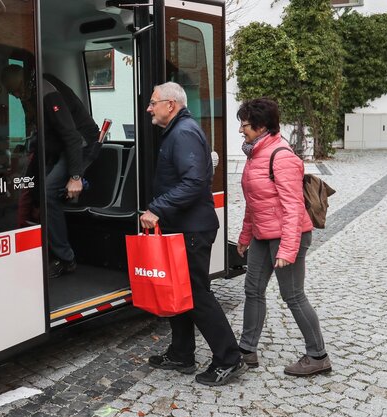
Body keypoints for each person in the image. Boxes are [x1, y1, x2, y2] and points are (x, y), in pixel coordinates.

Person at [141, 82, 246, 386]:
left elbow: (194, 182)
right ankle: (181, 353)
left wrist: (157, 208)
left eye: (153, 102)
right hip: (183, 227)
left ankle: (229, 358)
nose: (149, 108)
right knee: (179, 291)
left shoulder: (183, 132)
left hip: (192, 229)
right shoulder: (178, 130)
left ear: (170, 105)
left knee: (197, 294)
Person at [236, 98, 331, 376]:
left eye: (245, 125)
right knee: (252, 290)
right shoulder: (255, 155)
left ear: (261, 126)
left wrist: (287, 250)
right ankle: (247, 350)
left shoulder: (282, 156)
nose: (241, 130)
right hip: (262, 235)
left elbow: (293, 207)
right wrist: (245, 236)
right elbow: (255, 202)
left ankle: (318, 355)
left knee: (293, 295)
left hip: (288, 237)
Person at [2, 64, 99, 279]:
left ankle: (66, 259)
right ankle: (39, 248)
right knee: (32, 186)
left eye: (16, 90)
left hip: (80, 144)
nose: (16, 96)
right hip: (59, 146)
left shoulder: (46, 92)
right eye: (12, 93)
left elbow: (71, 136)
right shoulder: (30, 93)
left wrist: (75, 177)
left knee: (47, 193)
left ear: (23, 81)